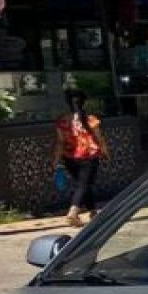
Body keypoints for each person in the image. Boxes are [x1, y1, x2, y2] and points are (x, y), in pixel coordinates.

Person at [52, 89, 110, 228]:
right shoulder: (90, 119)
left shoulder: (62, 121)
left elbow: (60, 142)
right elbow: (99, 138)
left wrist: (56, 159)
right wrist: (105, 151)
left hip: (70, 157)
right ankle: (73, 212)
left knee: (84, 184)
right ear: (84, 102)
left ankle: (93, 212)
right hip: (89, 155)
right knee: (83, 184)